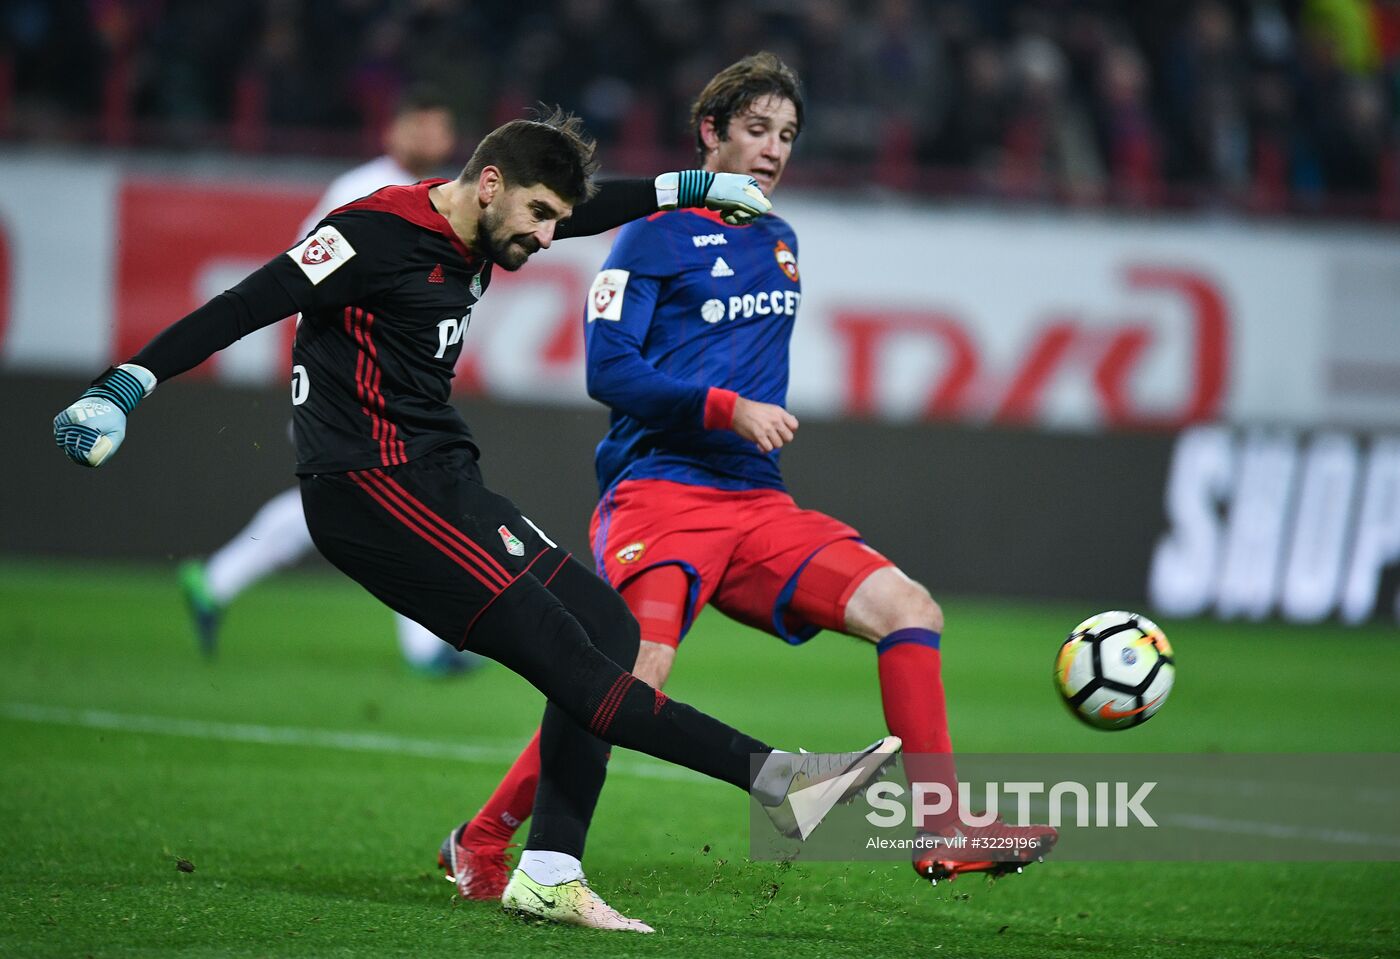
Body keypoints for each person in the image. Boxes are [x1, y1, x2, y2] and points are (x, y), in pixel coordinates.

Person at [52, 108, 900, 934]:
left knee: (607, 623)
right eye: (537, 215)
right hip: (371, 489)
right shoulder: (375, 232)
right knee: (577, 668)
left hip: (443, 478)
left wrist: (688, 187)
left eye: (555, 221)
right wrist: (124, 385)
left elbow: (589, 208)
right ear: (489, 184)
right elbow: (246, 301)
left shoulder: (491, 221)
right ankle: (784, 784)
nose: (544, 237)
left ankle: (550, 871)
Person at [441, 54, 1057, 902]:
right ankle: (482, 835)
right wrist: (725, 406)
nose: (773, 150)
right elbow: (608, 371)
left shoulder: (779, 240)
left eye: (788, 135)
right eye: (758, 129)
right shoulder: (650, 236)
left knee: (909, 608)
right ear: (712, 134)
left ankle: (943, 828)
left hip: (759, 504)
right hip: (659, 493)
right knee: (631, 681)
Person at [178, 87, 479, 675]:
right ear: (392, 130)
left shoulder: (439, 198)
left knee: (337, 504)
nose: (431, 139)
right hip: (342, 376)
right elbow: (302, 277)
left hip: (385, 381)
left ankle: (216, 579)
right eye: (420, 125)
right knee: (394, 500)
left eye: (440, 128)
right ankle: (425, 647)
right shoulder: (357, 191)